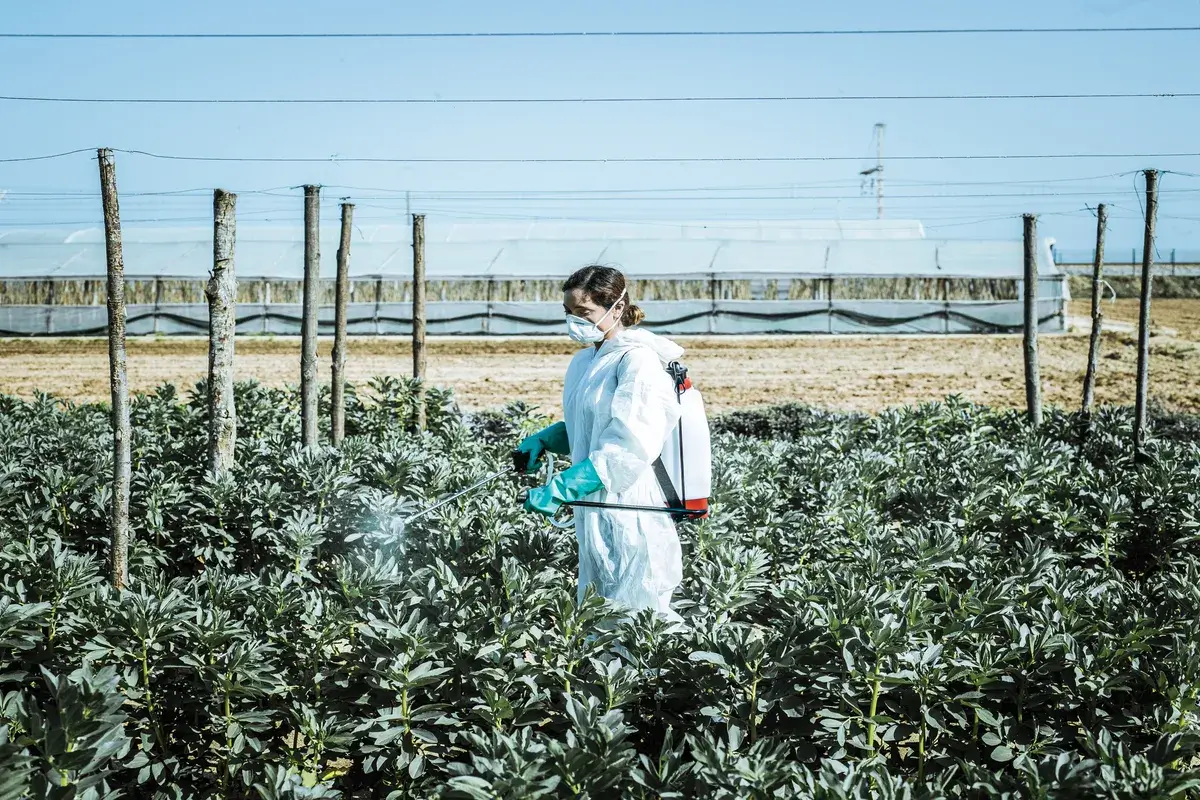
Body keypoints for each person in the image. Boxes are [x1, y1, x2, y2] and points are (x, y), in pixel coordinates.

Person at [517, 265, 685, 622]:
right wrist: (547, 439)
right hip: (594, 507)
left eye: (583, 313)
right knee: (598, 616)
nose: (573, 322)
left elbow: (628, 447)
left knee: (638, 615)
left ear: (617, 308)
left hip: (629, 505)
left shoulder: (637, 361)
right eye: (568, 312)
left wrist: (563, 487)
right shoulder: (585, 361)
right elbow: (592, 425)